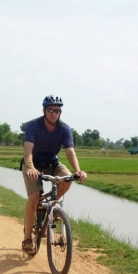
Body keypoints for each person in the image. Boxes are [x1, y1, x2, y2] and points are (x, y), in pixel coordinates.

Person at [21, 95, 87, 254]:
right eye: (50, 110)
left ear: (60, 112)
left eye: (56, 110)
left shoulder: (64, 128)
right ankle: (28, 239)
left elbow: (70, 151)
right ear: (44, 110)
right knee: (34, 197)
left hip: (52, 162)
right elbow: (28, 150)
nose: (53, 113)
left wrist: (78, 170)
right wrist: (30, 167)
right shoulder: (33, 125)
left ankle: (51, 205)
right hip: (33, 164)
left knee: (67, 178)